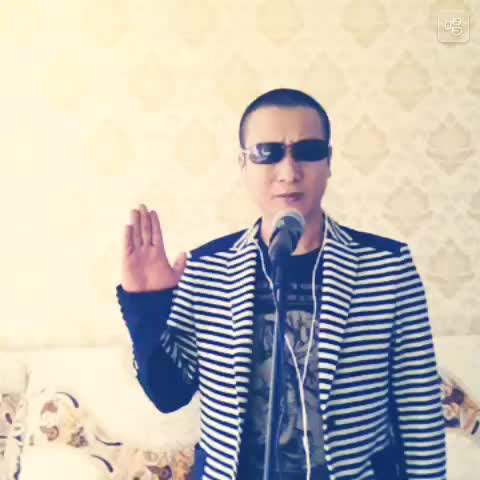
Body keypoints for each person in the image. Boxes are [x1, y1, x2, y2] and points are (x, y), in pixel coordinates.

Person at [115, 88, 447, 480]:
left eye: (307, 150)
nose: (289, 171)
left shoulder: (387, 266)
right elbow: (168, 394)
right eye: (267, 152)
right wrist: (148, 305)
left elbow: (418, 406)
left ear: (329, 161)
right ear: (243, 164)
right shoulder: (208, 268)